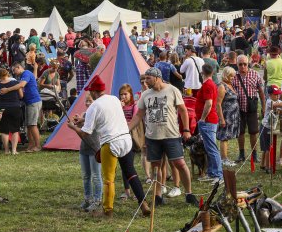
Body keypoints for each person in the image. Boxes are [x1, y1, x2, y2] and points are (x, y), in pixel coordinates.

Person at [67, 76, 150, 218]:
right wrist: (84, 119)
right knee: (131, 174)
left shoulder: (94, 106)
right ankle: (144, 205)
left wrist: (73, 127)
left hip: (111, 143)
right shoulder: (114, 99)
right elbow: (105, 115)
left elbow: (86, 133)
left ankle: (107, 211)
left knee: (108, 179)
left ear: (94, 91)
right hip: (126, 140)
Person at [128, 67, 199, 207]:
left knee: (180, 163)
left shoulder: (172, 90)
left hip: (171, 135)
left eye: (148, 78)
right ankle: (158, 195)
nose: (146, 81)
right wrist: (127, 129)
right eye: (145, 78)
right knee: (156, 167)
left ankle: (189, 193)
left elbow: (183, 111)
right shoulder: (146, 95)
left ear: (157, 77)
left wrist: (186, 130)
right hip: (153, 137)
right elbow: (139, 115)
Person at [231, 54, 266, 164]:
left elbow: (261, 92)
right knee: (240, 132)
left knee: (253, 132)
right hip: (238, 108)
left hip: (251, 108)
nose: (242, 66)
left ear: (248, 64)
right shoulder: (234, 76)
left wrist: (264, 107)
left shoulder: (255, 74)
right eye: (240, 64)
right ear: (237, 65)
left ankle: (254, 154)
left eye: (244, 64)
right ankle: (241, 154)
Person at [72, 93, 102, 211]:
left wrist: (76, 127)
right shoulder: (85, 114)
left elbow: (87, 131)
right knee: (86, 176)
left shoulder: (97, 115)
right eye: (86, 101)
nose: (88, 103)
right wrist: (78, 123)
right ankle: (87, 199)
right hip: (84, 149)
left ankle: (97, 200)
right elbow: (81, 131)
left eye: (90, 101)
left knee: (96, 176)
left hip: (95, 149)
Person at [195, 64, 223, 182]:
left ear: (202, 73)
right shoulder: (210, 84)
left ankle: (218, 174)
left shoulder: (207, 85)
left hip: (208, 120)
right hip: (209, 120)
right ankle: (212, 172)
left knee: (211, 148)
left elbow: (209, 103)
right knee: (209, 147)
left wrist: (202, 118)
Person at [9, 63, 42, 152]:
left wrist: (7, 89)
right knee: (28, 125)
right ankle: (31, 145)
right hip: (29, 102)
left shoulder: (26, 73)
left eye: (14, 70)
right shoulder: (25, 75)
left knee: (32, 124)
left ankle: (38, 146)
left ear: (18, 67)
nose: (14, 73)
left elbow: (22, 85)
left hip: (33, 101)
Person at [216, 67, 240, 167]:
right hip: (226, 115)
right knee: (224, 137)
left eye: (234, 76)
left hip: (233, 116)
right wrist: (221, 119)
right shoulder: (222, 86)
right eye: (231, 76)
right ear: (226, 75)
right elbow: (218, 104)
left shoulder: (230, 85)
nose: (233, 78)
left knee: (227, 137)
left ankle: (226, 157)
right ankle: (224, 159)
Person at [0, 68, 23, 155]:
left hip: (3, 108)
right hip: (15, 107)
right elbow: (21, 95)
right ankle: (14, 150)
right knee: (15, 130)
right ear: (8, 74)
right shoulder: (15, 83)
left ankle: (6, 150)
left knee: (4, 130)